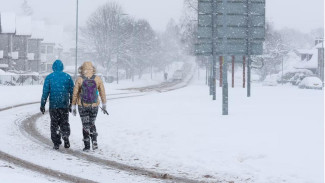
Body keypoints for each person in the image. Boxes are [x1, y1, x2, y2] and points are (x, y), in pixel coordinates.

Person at [71, 62, 107, 151]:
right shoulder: (97, 79)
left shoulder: (79, 79)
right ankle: (94, 141)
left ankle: (87, 146)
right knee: (92, 123)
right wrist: (104, 104)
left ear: (82, 68)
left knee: (85, 125)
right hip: (94, 105)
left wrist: (73, 106)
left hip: (82, 106)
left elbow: (75, 94)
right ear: (92, 68)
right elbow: (102, 92)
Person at [40, 60, 74, 150]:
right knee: (64, 122)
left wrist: (42, 105)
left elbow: (45, 92)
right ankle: (65, 136)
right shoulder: (67, 77)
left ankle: (56, 142)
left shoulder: (49, 77)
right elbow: (72, 92)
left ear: (53, 67)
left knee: (54, 124)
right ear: (62, 67)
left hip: (54, 105)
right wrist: (71, 103)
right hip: (64, 105)